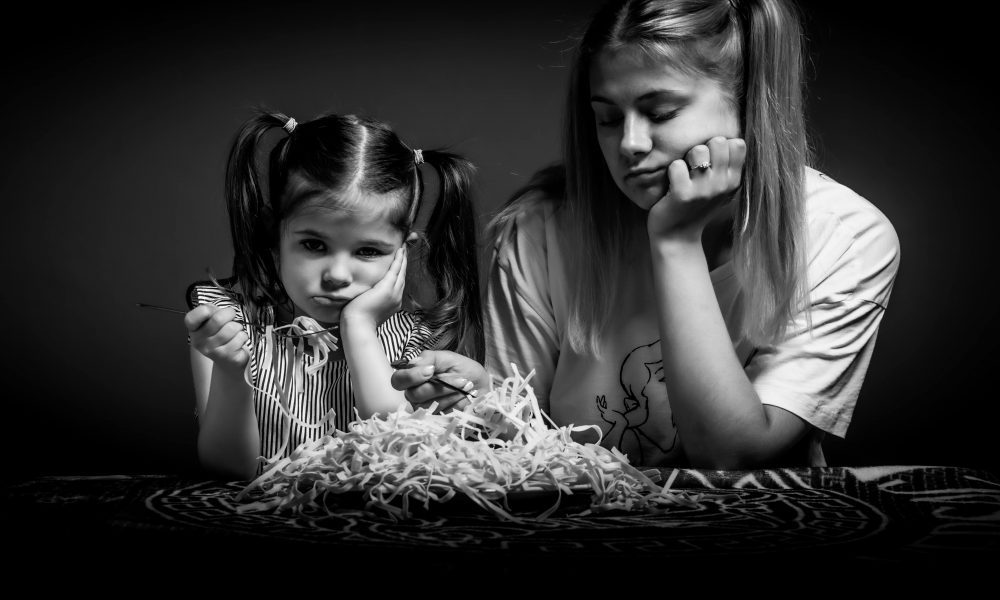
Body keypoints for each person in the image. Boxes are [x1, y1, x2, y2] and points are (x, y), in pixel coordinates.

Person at [392, 0, 900, 469]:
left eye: (660, 113)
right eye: (607, 119)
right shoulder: (540, 230)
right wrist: (483, 401)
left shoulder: (848, 237)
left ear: (749, 106)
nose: (629, 145)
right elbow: (519, 447)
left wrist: (676, 244)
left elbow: (734, 458)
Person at [185, 109, 484, 480]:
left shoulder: (413, 339)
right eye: (314, 244)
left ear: (402, 252)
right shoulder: (228, 323)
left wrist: (359, 326)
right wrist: (232, 372)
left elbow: (399, 454)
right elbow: (229, 469)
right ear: (272, 232)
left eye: (368, 251)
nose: (338, 276)